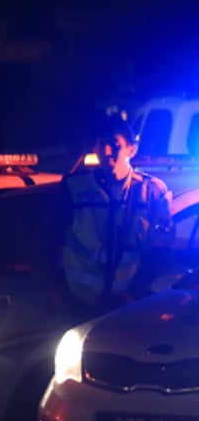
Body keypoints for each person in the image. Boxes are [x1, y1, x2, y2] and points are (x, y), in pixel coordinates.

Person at [59, 114, 174, 318]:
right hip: (78, 306)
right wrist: (58, 293)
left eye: (114, 144)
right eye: (100, 144)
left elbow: (161, 251)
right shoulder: (73, 188)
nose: (106, 151)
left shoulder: (153, 191)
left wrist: (137, 294)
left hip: (130, 307)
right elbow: (48, 243)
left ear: (132, 150)